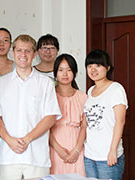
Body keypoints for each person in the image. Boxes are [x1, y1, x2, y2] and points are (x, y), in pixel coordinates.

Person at [0, 34, 61, 180]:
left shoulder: (46, 83)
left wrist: (27, 139)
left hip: (37, 157)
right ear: (12, 53)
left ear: (34, 54)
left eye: (27, 51)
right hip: (8, 157)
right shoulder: (1, 84)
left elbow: (50, 117)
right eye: (19, 50)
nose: (23, 55)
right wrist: (10, 140)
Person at [84, 49, 127, 180]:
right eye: (90, 66)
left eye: (98, 65)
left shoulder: (116, 89)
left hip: (108, 155)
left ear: (107, 68)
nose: (93, 70)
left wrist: (113, 150)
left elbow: (120, 121)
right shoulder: (90, 91)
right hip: (90, 156)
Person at [49, 54, 87, 176]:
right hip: (54, 148)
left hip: (77, 147)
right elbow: (45, 127)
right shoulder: (49, 96)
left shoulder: (83, 97)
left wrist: (76, 150)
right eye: (60, 70)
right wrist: (59, 150)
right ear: (55, 73)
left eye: (69, 70)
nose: (65, 74)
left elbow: (85, 127)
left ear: (75, 72)